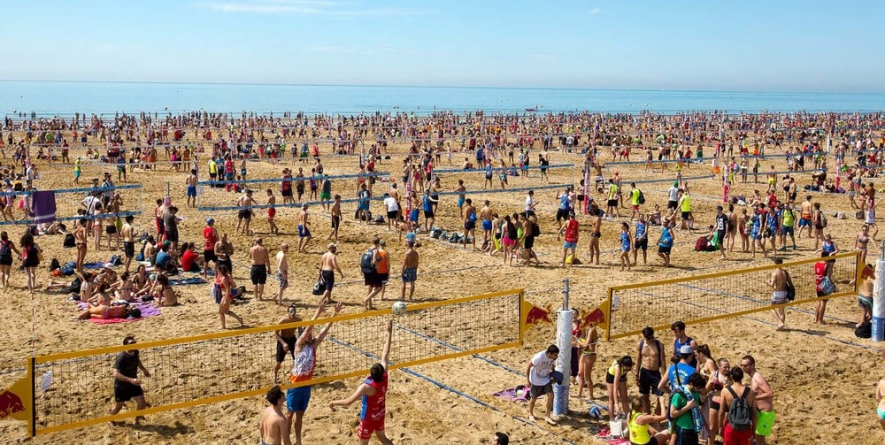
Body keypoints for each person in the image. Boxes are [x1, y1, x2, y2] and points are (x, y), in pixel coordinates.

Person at [329, 319, 395, 445]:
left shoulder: (366, 387)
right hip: (380, 414)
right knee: (383, 438)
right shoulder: (384, 378)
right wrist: (389, 333)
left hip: (368, 419)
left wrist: (333, 402)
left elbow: (348, 402)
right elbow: (385, 355)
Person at [288, 301, 344, 445]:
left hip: (307, 385)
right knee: (289, 415)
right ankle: (286, 439)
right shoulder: (299, 345)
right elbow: (309, 328)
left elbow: (324, 330)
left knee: (300, 416)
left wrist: (334, 314)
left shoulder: (313, 345)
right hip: (294, 385)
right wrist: (318, 312)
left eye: (310, 334)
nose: (309, 334)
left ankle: (298, 440)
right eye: (307, 333)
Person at [109, 336, 151, 425]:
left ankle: (136, 421)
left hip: (133, 383)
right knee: (118, 407)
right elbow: (115, 374)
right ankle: (110, 419)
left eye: (134, 342)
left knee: (142, 404)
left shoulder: (135, 352)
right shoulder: (121, 357)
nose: (134, 345)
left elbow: (137, 361)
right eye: (131, 343)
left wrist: (144, 370)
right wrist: (130, 380)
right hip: (121, 386)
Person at [740, 355, 775, 445]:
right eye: (742, 365)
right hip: (759, 413)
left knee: (759, 440)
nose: (743, 368)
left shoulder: (757, 377)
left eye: (745, 365)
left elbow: (770, 393)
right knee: (759, 439)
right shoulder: (753, 378)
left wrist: (754, 398)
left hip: (765, 414)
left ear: (752, 366)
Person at [719, 367, 756, 445]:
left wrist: (720, 427)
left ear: (731, 376)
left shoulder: (725, 391)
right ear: (742, 377)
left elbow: (722, 411)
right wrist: (754, 430)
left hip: (731, 427)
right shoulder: (750, 392)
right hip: (746, 428)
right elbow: (754, 414)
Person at [526, 344, 560, 425]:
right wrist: (527, 380)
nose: (557, 356)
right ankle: (530, 414)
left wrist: (553, 373)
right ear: (550, 353)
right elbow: (528, 366)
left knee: (551, 396)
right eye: (555, 354)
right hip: (535, 380)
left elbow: (551, 365)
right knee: (533, 398)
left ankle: (547, 416)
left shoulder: (552, 358)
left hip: (546, 379)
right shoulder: (539, 357)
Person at [669, 373, 707, 445]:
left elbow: (698, 410)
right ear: (691, 383)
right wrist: (687, 407)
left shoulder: (695, 393)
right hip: (683, 430)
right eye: (698, 387)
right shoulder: (678, 395)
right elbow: (672, 414)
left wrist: (707, 428)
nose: (699, 389)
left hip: (694, 429)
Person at [636, 326, 665, 415]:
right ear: (645, 337)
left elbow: (663, 362)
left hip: (655, 372)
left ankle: (657, 415)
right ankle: (647, 414)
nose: (652, 339)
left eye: (653, 337)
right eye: (650, 338)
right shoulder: (640, 345)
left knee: (660, 395)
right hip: (644, 372)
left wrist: (664, 377)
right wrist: (636, 375)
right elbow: (638, 360)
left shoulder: (659, 345)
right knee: (645, 396)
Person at [273, 303, 302, 383]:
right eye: (291, 311)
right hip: (283, 339)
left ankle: (297, 376)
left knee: (297, 358)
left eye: (294, 311)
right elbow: (275, 333)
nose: (293, 313)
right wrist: (283, 343)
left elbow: (300, 332)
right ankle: (274, 377)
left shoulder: (298, 320)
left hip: (292, 339)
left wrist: (301, 341)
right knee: (279, 361)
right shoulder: (283, 321)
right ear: (288, 312)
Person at [215, 264, 244, 330]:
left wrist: (225, 300)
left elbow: (228, 289)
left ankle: (223, 326)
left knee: (220, 311)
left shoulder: (224, 278)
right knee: (226, 311)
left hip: (226, 296)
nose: (216, 270)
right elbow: (234, 285)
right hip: (227, 296)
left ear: (220, 270)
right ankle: (239, 319)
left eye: (218, 269)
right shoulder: (226, 276)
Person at [606, 355, 634, 420]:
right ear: (623, 365)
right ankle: (612, 418)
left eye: (629, 369)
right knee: (612, 399)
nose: (628, 370)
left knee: (624, 398)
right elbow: (615, 388)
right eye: (626, 369)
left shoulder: (630, 364)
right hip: (612, 377)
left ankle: (628, 417)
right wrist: (616, 404)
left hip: (622, 375)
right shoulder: (618, 368)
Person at [768, 257, 790, 330]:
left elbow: (772, 285)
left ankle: (779, 323)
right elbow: (790, 283)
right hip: (785, 292)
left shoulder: (775, 273)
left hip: (778, 293)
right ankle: (781, 327)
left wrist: (768, 282)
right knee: (781, 311)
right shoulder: (785, 272)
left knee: (771, 308)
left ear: (775, 263)